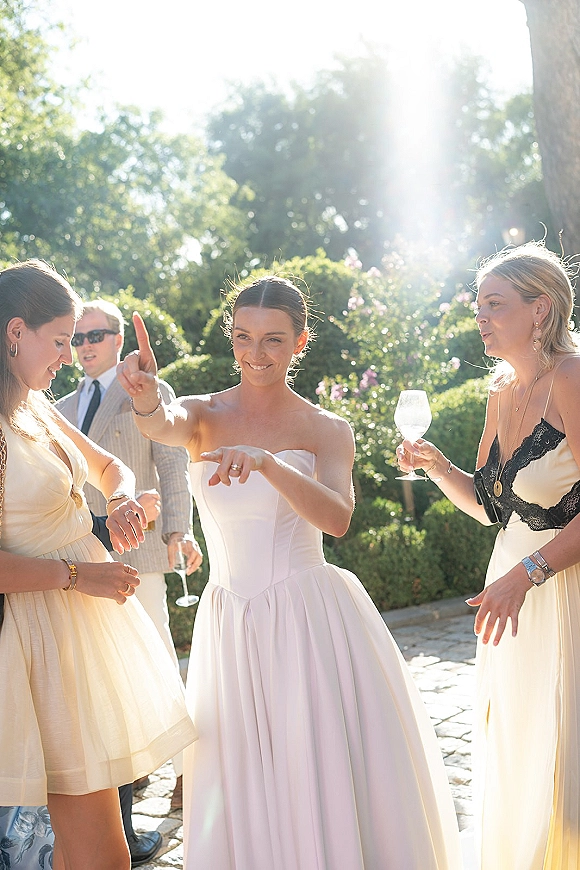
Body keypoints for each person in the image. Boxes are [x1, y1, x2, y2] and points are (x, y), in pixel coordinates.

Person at [117, 275, 462, 869]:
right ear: (232, 339)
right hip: (228, 619)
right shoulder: (201, 412)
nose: (257, 353)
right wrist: (147, 396)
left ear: (300, 342)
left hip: (307, 617)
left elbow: (337, 519)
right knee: (240, 765)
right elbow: (160, 424)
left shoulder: (328, 429)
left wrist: (272, 466)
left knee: (314, 759)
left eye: (274, 340)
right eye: (245, 338)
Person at [0, 260, 197, 870]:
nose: (67, 354)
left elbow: (111, 466)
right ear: (15, 332)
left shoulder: (35, 407)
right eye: (59, 340)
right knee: (95, 849)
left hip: (77, 640)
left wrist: (119, 500)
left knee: (96, 847)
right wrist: (81, 576)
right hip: (32, 641)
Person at [397, 242, 580, 869]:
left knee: (565, 743)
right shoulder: (500, 392)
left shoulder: (574, 379)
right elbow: (494, 509)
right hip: (509, 591)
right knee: (518, 741)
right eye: (478, 304)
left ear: (541, 309)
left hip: (561, 587)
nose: (480, 316)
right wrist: (437, 466)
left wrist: (526, 577)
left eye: (494, 304)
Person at [56, 299, 202, 817]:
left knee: (160, 659)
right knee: (104, 672)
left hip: (140, 551)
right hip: (85, 558)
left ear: (119, 338)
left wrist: (178, 532)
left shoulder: (147, 389)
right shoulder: (61, 407)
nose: (84, 347)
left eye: (94, 336)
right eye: (75, 338)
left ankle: (188, 772)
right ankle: (129, 770)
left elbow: (172, 464)